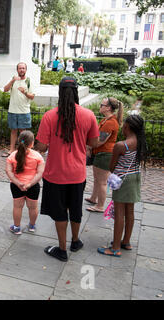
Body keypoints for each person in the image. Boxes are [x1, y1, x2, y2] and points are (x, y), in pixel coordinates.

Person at [36, 77, 99, 262]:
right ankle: (76, 241)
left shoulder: (49, 116)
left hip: (55, 174)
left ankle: (62, 250)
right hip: (78, 173)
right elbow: (94, 142)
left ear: (60, 93)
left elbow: (41, 146)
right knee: (75, 208)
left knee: (60, 212)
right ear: (77, 92)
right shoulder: (88, 115)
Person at [97, 115, 147, 257]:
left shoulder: (121, 145)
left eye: (124, 125)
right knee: (130, 212)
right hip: (135, 177)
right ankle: (126, 241)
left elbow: (112, 166)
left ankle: (115, 248)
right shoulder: (141, 142)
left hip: (122, 179)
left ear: (127, 127)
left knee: (119, 213)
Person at [86, 97, 123, 213]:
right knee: (98, 179)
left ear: (108, 108)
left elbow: (99, 141)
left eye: (102, 105)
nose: (100, 106)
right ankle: (93, 198)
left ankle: (100, 206)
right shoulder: (106, 120)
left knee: (102, 181)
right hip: (102, 154)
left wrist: (88, 146)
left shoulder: (110, 123)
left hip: (104, 154)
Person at [6, 130, 45, 235]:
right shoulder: (37, 156)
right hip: (33, 186)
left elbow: (9, 172)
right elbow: (40, 173)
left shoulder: (12, 155)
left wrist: (18, 183)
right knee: (33, 207)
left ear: (19, 141)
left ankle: (17, 227)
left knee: (17, 206)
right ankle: (32, 226)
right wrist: (30, 184)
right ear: (32, 143)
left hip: (16, 185)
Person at [2, 62, 35, 157]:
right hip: (12, 110)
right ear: (17, 70)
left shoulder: (29, 81)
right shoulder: (13, 80)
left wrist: (25, 92)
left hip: (24, 111)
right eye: (20, 68)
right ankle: (12, 150)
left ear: (26, 70)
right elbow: (5, 89)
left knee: (23, 132)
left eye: (23, 68)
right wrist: (12, 81)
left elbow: (32, 96)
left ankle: (23, 150)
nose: (22, 70)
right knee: (13, 131)